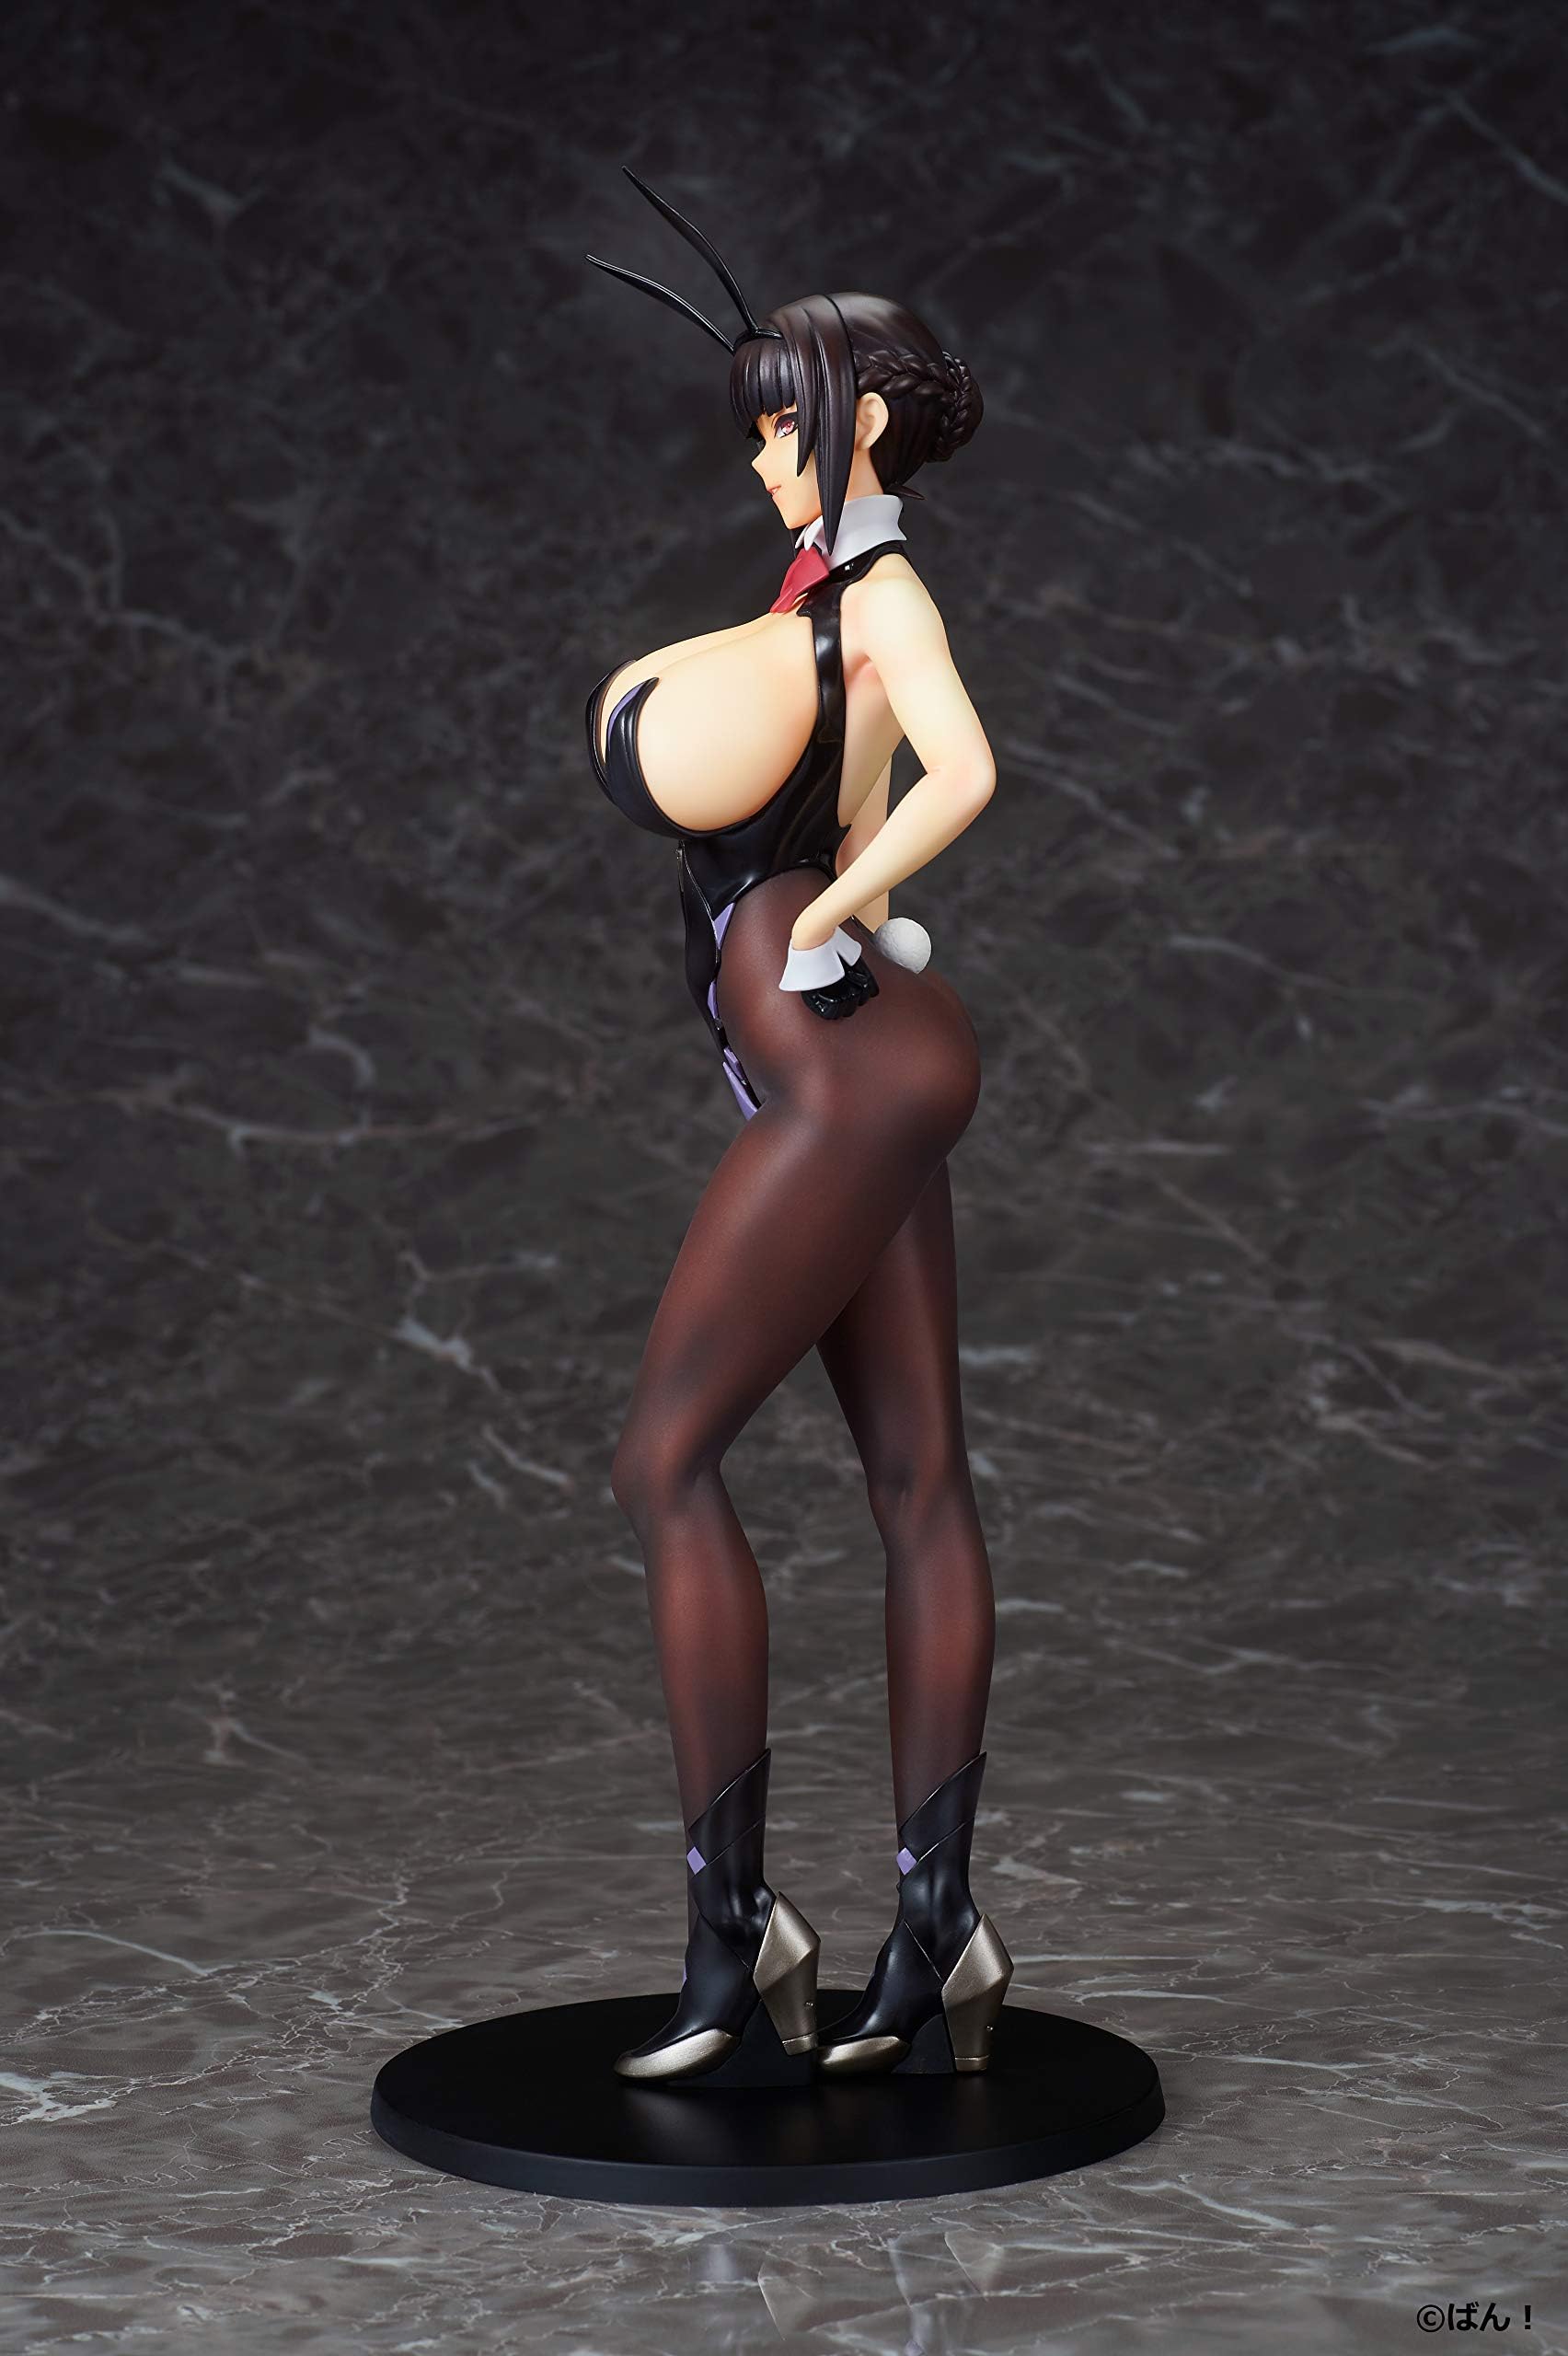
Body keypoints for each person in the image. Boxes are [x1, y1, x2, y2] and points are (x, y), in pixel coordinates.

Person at [585, 172, 1011, 2084]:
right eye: (757, 424)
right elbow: (853, 771)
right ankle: (944, 1932)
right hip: (854, 1063)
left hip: (841, 1067)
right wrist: (856, 900)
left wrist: (835, 913)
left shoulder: (885, 594)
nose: (761, 453)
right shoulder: (822, 590)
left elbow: (965, 767)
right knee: (918, 1480)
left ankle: (736, 1927)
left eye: (785, 422)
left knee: (664, 1460)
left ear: (862, 423)